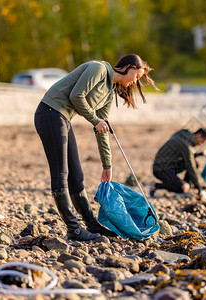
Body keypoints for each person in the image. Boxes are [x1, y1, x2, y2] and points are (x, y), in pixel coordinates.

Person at [34, 54, 158, 241]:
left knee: (77, 175)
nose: (135, 81)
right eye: (137, 76)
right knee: (61, 174)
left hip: (63, 118)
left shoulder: (109, 92)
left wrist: (107, 165)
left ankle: (91, 225)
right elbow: (76, 95)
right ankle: (73, 229)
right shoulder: (98, 69)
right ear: (129, 67)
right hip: (50, 113)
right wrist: (95, 120)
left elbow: (102, 128)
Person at [150, 128, 206, 197]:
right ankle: (155, 185)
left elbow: (187, 155)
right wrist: (200, 190)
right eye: (202, 142)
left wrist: (201, 154)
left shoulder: (183, 136)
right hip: (161, 170)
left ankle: (187, 185)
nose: (200, 145)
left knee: (195, 163)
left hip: (167, 165)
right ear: (198, 135)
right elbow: (190, 166)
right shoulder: (186, 144)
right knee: (183, 187)